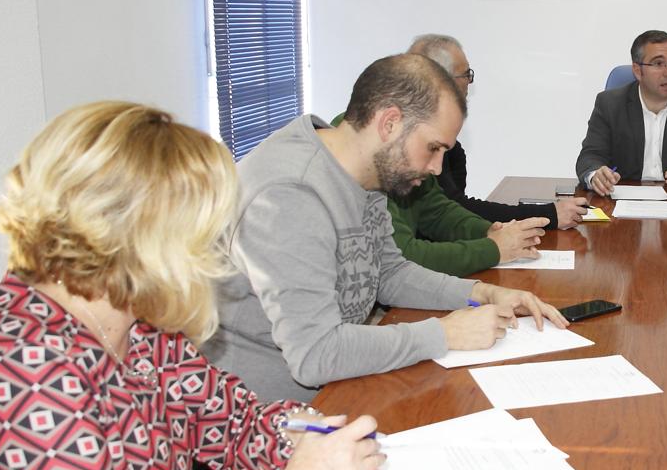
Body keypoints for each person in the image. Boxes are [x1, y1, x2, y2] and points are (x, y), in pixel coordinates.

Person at [0, 101, 383, 470]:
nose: (209, 256)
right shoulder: (20, 369)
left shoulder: (138, 315)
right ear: (128, 236)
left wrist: (303, 433)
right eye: (196, 235)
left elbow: (228, 420)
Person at [206, 54, 568, 402]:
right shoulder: (289, 195)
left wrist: (482, 294)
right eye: (432, 148)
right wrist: (443, 333)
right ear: (389, 123)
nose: (438, 169)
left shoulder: (366, 175)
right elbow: (315, 354)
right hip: (263, 426)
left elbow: (389, 273)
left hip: (338, 391)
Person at [409, 34, 588, 230]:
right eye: (466, 74)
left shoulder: (452, 149)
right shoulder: (413, 145)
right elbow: (455, 210)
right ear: (439, 80)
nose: (469, 81)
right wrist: (548, 215)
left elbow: (454, 212)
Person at [576, 30, 667, 196]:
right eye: (658, 64)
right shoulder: (610, 104)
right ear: (638, 71)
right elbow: (590, 156)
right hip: (621, 201)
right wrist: (596, 175)